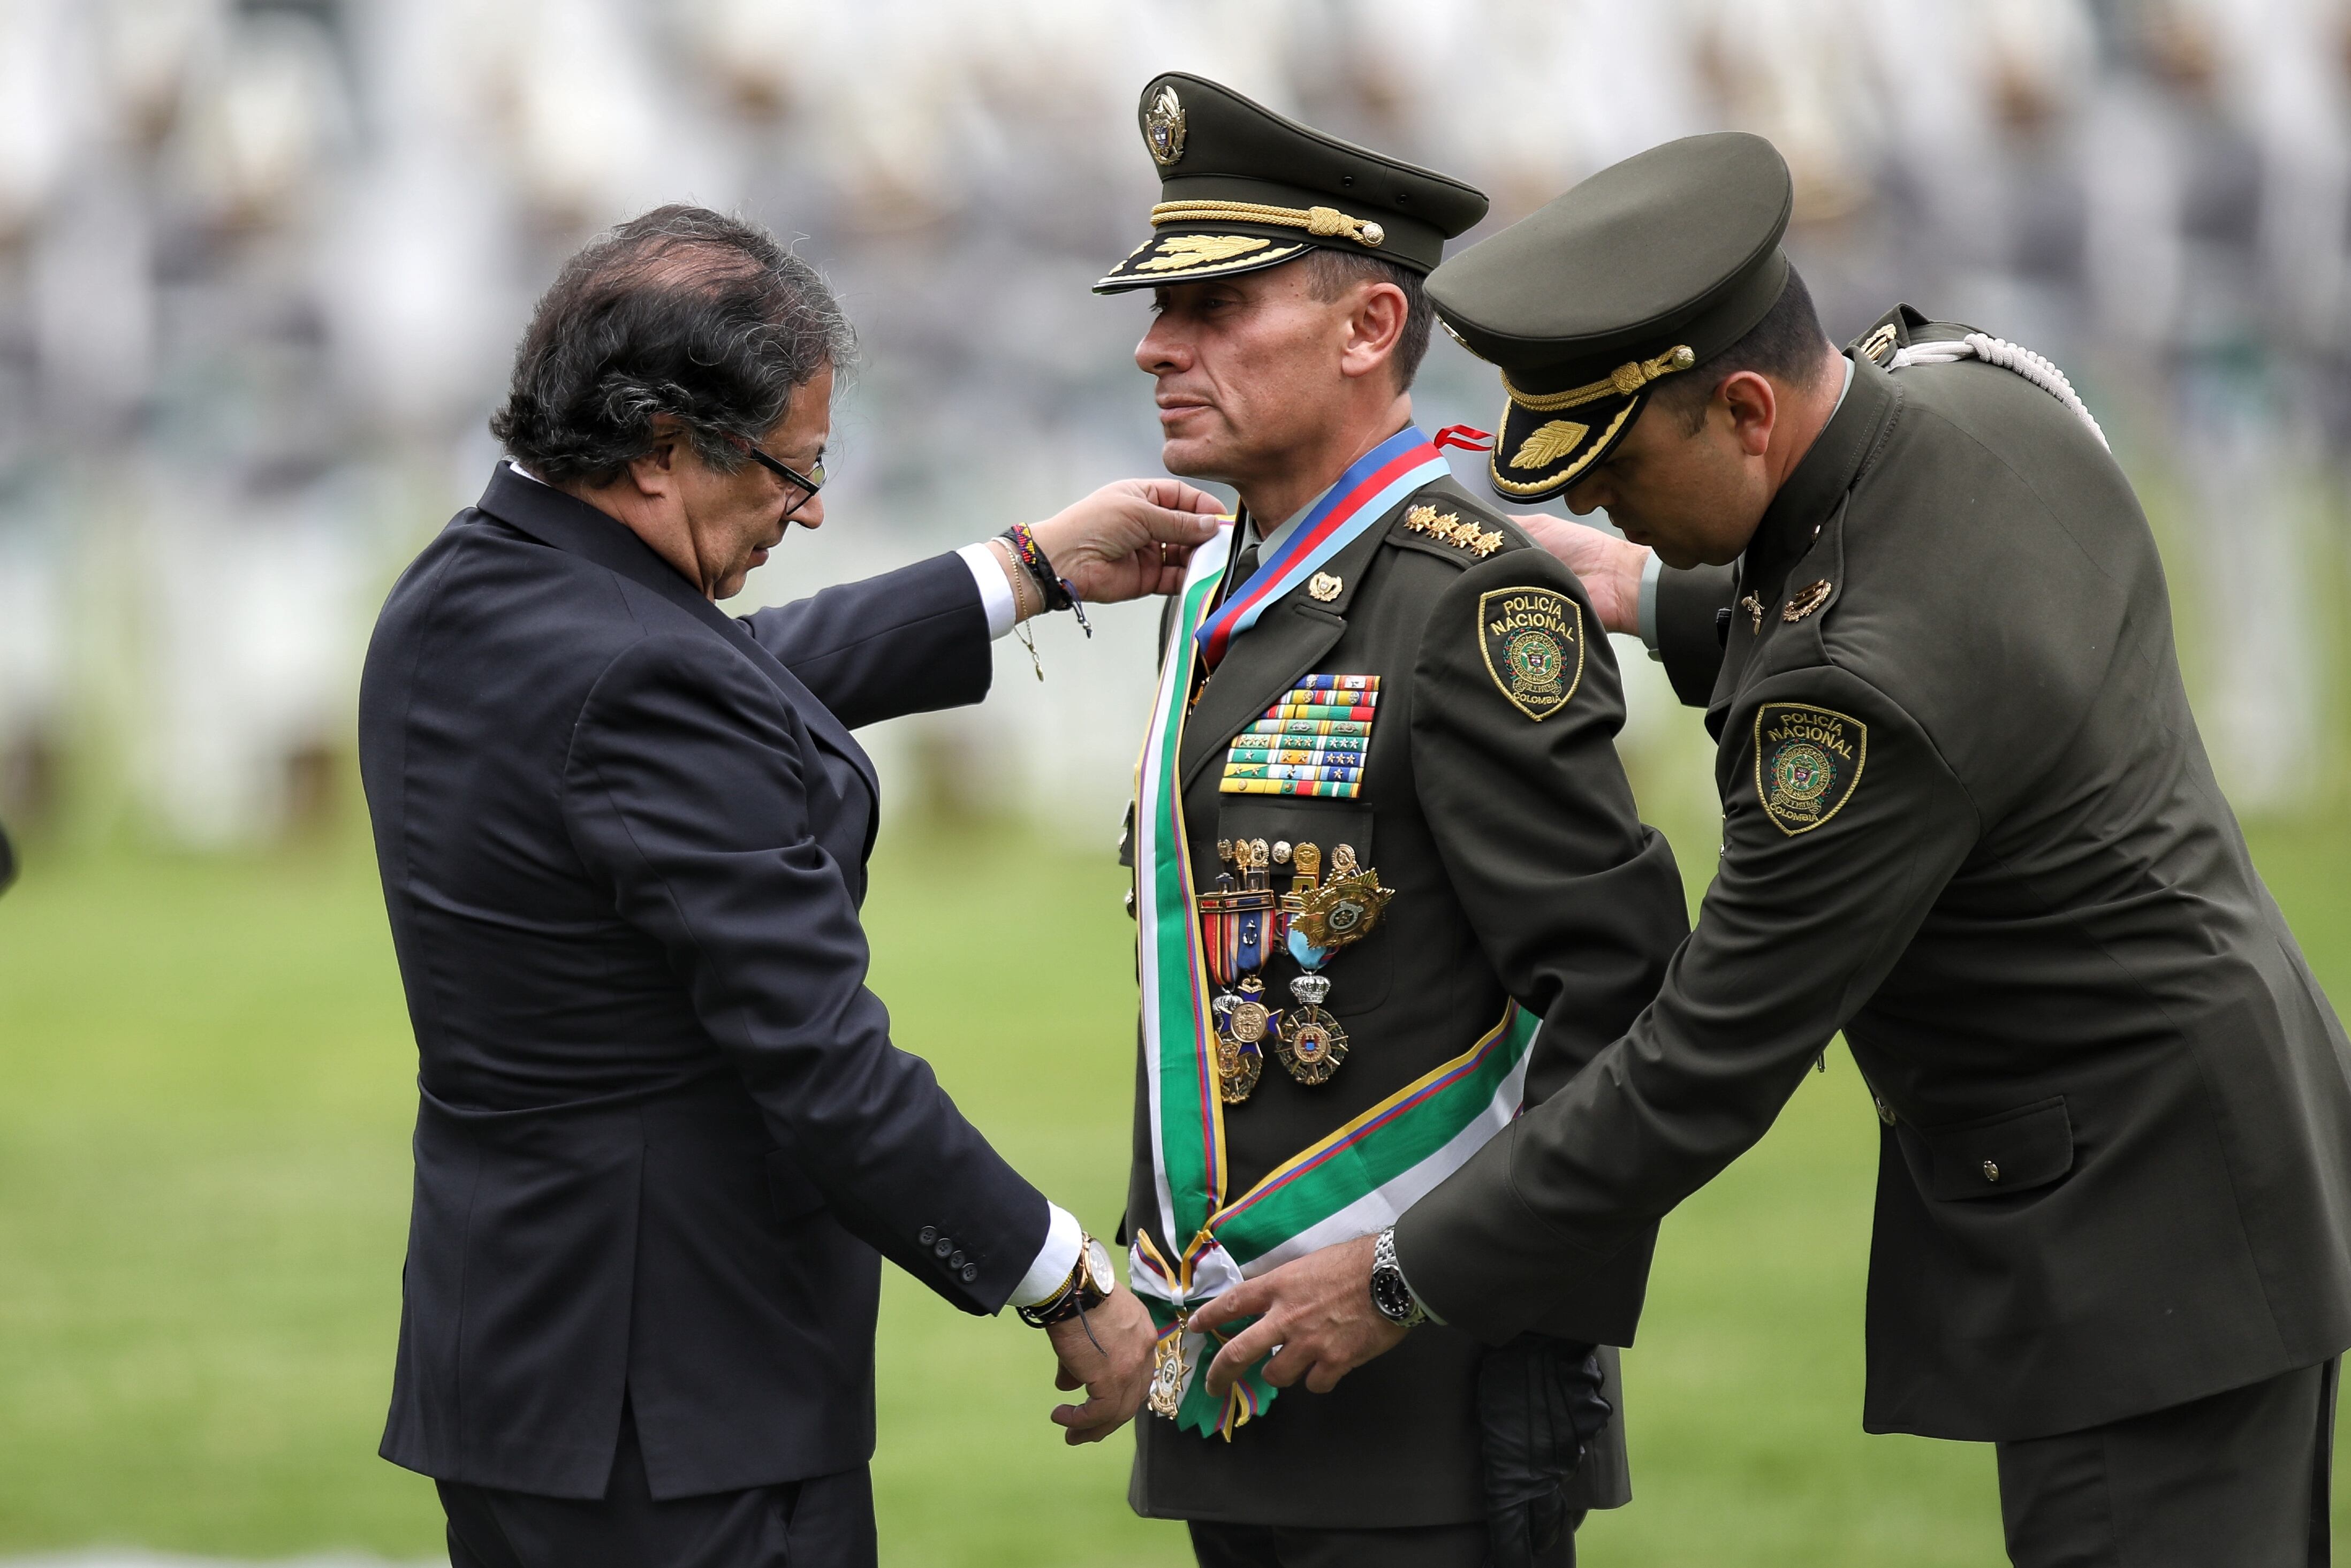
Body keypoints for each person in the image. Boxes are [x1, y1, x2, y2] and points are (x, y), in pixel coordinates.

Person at [1190, 132, 2351, 1566]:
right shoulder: (1976, 388)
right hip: (2230, 1147)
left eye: (1619, 478)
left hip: (2132, 1243)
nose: (1597, 513)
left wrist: (1390, 1275)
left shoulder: (1849, 710)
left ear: (1743, 407)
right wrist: (1665, 598)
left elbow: (1700, 1063)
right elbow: (1917, 587)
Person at [358, 206, 1223, 1568]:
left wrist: (1023, 572)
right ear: (658, 450)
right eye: (791, 468)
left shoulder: (467, 590)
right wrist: (1061, 1271)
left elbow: (718, 676)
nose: (809, 509)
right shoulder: (643, 679)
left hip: (531, 1373)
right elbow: (825, 1067)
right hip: (685, 1406)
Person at [1095, 75, 1690, 1568]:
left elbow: (1614, 991)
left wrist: (1413, 1276)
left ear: (1370, 330)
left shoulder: (1466, 592)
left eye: (1219, 306)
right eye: (1164, 306)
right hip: (1244, 1375)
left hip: (1426, 1399)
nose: (1159, 344)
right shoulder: (1220, 582)